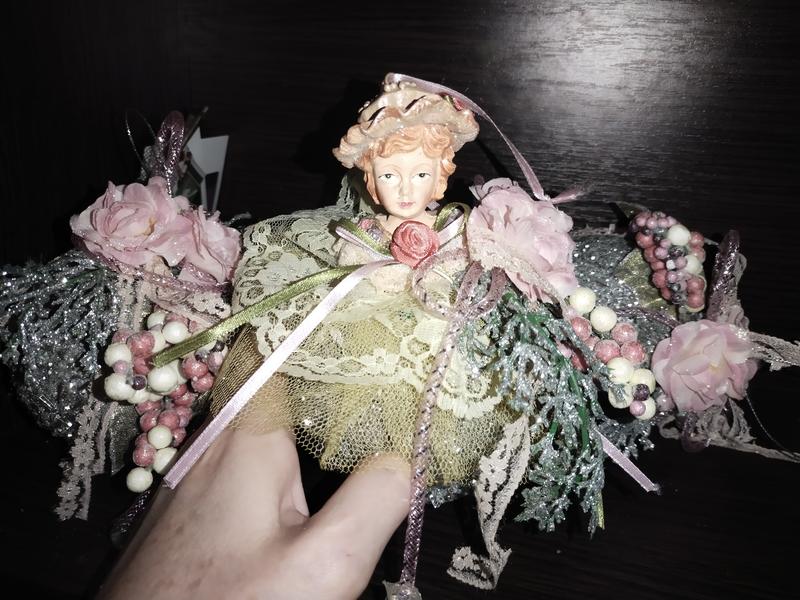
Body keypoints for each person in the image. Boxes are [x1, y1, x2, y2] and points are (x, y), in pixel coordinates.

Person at [100, 76, 509, 599]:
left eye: (421, 175)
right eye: (389, 175)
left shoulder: (454, 229)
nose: (405, 190)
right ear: (370, 180)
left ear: (440, 179)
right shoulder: (362, 232)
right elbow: (351, 260)